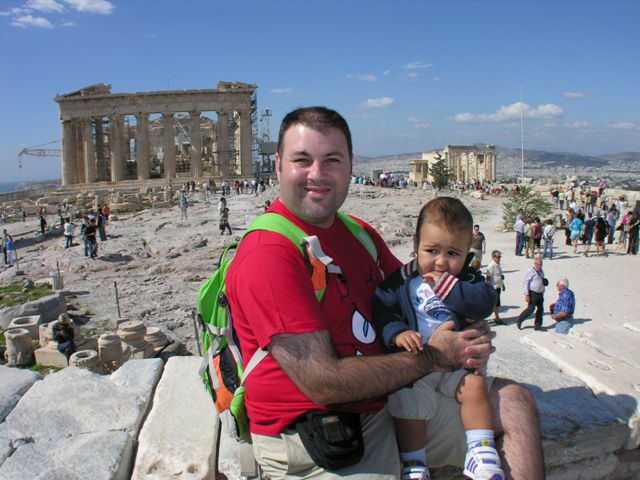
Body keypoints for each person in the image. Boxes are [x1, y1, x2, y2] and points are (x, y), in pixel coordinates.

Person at [225, 106, 543, 479]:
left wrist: (466, 327)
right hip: (318, 434)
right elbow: (322, 382)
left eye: (332, 160)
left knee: (515, 404)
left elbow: (420, 292)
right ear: (279, 165)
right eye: (302, 159)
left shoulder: (357, 233)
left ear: (350, 165)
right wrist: (434, 356)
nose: (317, 173)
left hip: (388, 399)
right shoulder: (268, 254)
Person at [373, 197, 504, 480]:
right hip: (417, 363)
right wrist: (398, 333)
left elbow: (485, 302)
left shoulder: (467, 280)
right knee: (407, 407)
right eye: (431, 250)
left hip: (459, 365)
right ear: (416, 243)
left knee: (475, 388)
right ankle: (414, 463)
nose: (442, 261)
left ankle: (480, 451)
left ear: (467, 252)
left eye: (453, 253)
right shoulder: (402, 280)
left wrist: (449, 287)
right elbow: (383, 309)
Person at [516, 257, 547, 331]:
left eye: (541, 264)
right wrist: (527, 294)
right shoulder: (531, 271)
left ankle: (537, 325)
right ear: (535, 264)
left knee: (540, 309)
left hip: (540, 293)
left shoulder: (542, 271)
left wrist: (543, 291)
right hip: (532, 293)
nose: (540, 266)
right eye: (538, 264)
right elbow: (526, 282)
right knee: (531, 309)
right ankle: (519, 320)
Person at [485, 250, 506, 325]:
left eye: (500, 257)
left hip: (498, 287)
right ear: (493, 257)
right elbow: (488, 277)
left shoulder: (498, 265)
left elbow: (499, 276)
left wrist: (503, 285)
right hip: (493, 288)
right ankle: (497, 318)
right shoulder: (491, 266)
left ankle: (497, 318)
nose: (499, 258)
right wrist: (488, 289)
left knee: (496, 304)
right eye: (498, 257)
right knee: (494, 304)